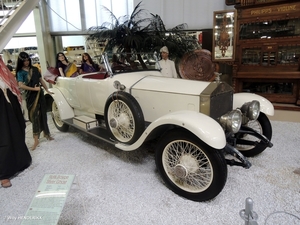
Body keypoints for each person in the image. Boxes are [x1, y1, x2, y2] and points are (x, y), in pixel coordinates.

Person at [0, 56, 32, 188]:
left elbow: (11, 84)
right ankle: (3, 174)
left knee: (17, 129)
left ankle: (18, 162)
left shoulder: (3, 70)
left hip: (9, 103)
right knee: (3, 137)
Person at [16, 52, 54, 150]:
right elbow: (20, 85)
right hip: (30, 96)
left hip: (40, 94)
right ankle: (36, 139)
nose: (26, 62)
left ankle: (46, 133)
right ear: (21, 61)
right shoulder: (20, 72)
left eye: (28, 60)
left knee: (43, 114)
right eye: (24, 61)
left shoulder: (35, 69)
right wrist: (34, 89)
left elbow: (41, 80)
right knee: (34, 116)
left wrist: (47, 90)